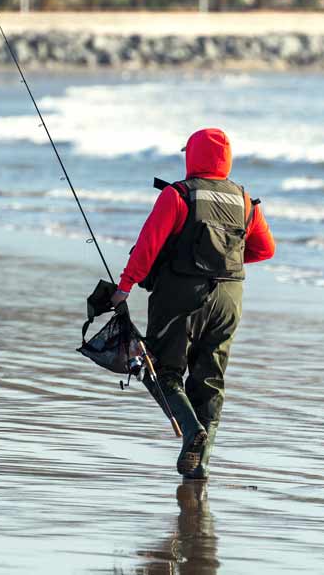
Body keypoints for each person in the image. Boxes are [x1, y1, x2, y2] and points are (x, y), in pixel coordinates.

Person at [110, 128, 276, 480]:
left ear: (193, 156)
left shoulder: (178, 195)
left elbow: (147, 247)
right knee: (210, 380)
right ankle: (199, 466)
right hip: (230, 299)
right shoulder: (245, 200)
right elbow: (265, 249)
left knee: (160, 371)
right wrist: (223, 260)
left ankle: (191, 431)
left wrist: (124, 287)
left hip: (181, 296)